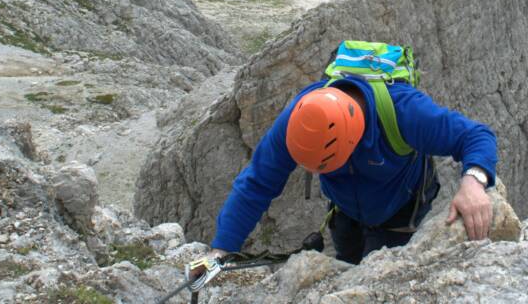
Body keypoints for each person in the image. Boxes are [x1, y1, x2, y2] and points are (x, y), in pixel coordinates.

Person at [202, 51, 498, 266]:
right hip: (344, 210)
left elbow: (476, 136)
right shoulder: (300, 117)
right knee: (348, 261)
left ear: (352, 142)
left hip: (398, 213)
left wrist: (473, 183)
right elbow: (257, 183)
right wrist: (221, 250)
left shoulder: (405, 111)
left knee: (381, 276)